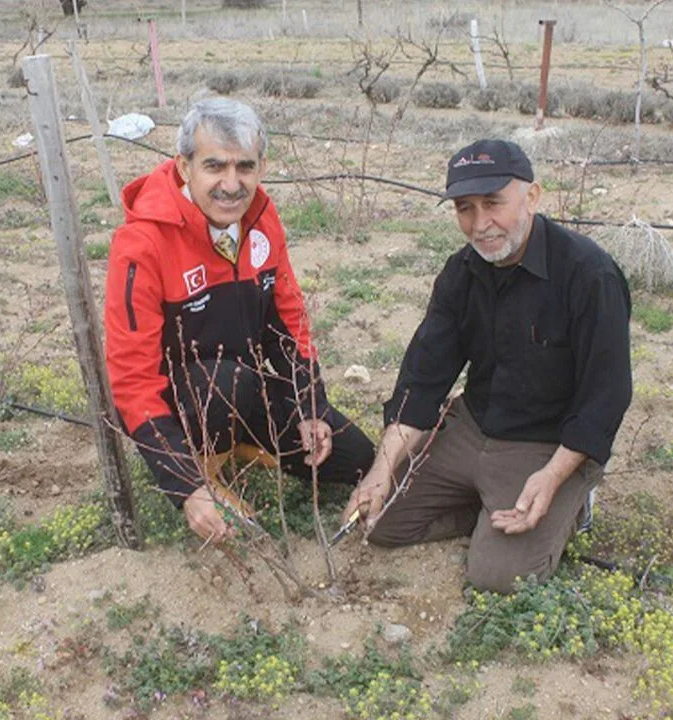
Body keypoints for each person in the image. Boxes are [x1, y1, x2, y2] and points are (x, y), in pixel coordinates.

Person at [341, 139, 633, 592]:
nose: (481, 225)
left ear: (532, 197)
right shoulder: (462, 272)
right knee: (377, 521)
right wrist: (381, 470)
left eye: (493, 203)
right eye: (465, 209)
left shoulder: (589, 275)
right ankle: (484, 507)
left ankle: (574, 502)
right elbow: (423, 377)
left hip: (544, 445)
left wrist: (555, 475)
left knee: (499, 576)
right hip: (472, 428)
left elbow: (606, 395)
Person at [104, 97, 375, 543]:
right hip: (183, 404)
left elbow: (288, 322)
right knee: (225, 382)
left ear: (262, 167)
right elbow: (132, 380)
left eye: (244, 167)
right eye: (215, 167)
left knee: (355, 458)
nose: (231, 185)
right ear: (183, 166)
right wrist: (186, 486)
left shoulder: (263, 221)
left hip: (245, 389)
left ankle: (239, 446)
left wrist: (310, 407)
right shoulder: (142, 243)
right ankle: (206, 472)